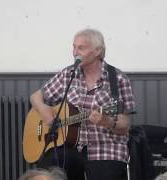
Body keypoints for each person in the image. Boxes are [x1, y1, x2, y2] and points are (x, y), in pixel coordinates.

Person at [30, 28, 136, 180]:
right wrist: (43, 108)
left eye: (81, 48)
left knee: (106, 174)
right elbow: (35, 96)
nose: (75, 52)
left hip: (105, 147)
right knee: (47, 171)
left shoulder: (118, 79)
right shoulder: (68, 74)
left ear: (98, 51)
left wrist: (107, 122)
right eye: (74, 47)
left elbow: (125, 125)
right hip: (69, 146)